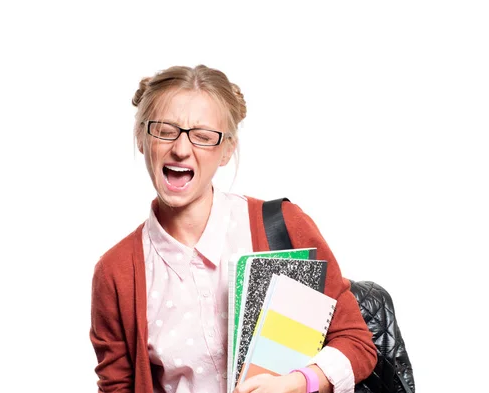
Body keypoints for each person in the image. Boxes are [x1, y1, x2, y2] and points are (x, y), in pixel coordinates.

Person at [90, 65, 377, 393]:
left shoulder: (281, 227)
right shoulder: (115, 273)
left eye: (202, 136)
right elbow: (117, 387)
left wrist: (300, 383)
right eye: (165, 130)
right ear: (141, 137)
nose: (181, 149)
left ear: (226, 150)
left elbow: (356, 341)